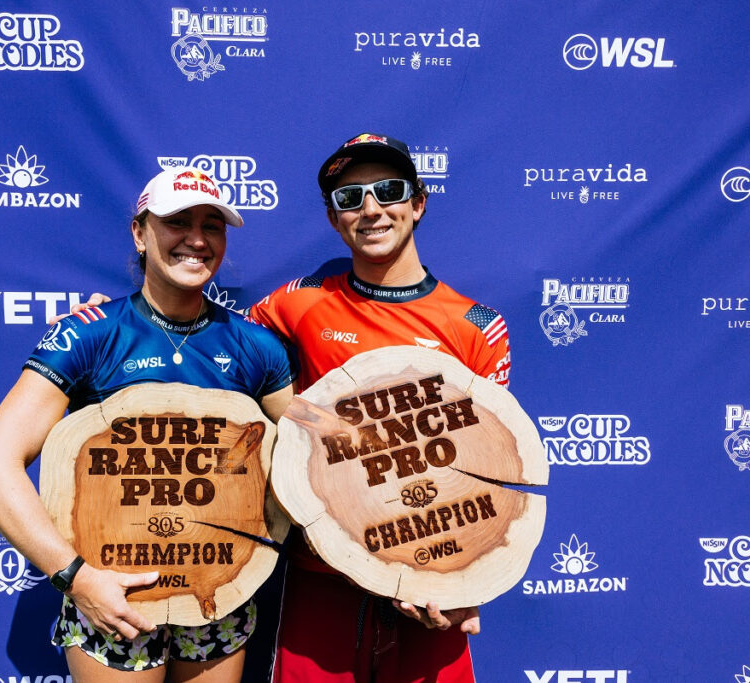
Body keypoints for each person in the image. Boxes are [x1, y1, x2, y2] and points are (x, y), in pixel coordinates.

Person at [67, 133, 510, 682]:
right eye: (350, 198)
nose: (370, 209)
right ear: (332, 218)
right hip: (321, 573)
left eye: (388, 190)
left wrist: (466, 579)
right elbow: (203, 342)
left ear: (418, 201)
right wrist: (105, 328)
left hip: (426, 582)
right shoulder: (294, 303)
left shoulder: (476, 326)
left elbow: (487, 476)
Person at [0, 167, 296, 682]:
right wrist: (76, 578)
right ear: (140, 233)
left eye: (213, 225)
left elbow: (316, 461)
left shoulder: (256, 346)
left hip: (217, 592)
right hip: (111, 591)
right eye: (177, 221)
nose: (197, 239)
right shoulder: (88, 335)